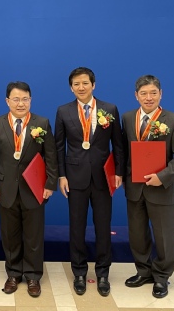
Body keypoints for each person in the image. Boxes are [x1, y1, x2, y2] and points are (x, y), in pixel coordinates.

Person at [54, 67, 125, 297]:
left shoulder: (109, 109)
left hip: (103, 177)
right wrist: (61, 175)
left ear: (93, 85)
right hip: (75, 177)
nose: (81, 87)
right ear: (71, 87)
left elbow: (118, 144)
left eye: (85, 83)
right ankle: (79, 273)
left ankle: (103, 273)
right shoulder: (63, 111)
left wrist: (119, 172)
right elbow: (58, 147)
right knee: (77, 227)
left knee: (103, 227)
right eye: (76, 84)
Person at [121, 75, 174, 299]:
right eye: (143, 93)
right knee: (137, 234)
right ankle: (143, 271)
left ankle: (161, 276)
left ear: (161, 94)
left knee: (164, 236)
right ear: (136, 96)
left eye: (153, 93)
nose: (148, 97)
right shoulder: (128, 118)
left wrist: (162, 177)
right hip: (135, 187)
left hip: (161, 188)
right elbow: (124, 151)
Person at [0, 81, 58, 298]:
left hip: (34, 188)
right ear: (7, 101)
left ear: (31, 100)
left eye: (25, 99)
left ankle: (33, 276)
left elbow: (51, 156)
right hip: (5, 187)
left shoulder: (42, 123)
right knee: (10, 235)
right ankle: (13, 274)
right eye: (16, 99)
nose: (21, 104)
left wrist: (50, 184)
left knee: (33, 235)